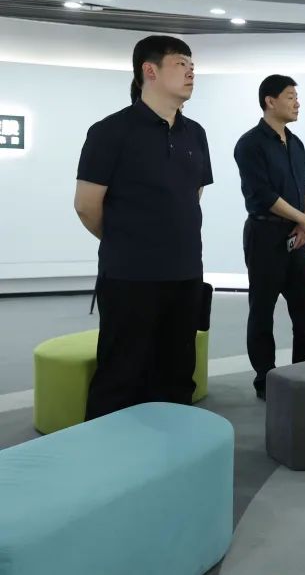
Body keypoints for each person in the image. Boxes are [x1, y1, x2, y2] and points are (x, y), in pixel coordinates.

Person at [75, 35, 212, 419]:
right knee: (121, 375)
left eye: (192, 66)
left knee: (177, 374)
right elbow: (86, 205)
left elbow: (193, 195)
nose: (191, 72)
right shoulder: (110, 131)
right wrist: (127, 240)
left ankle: (172, 449)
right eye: (181, 64)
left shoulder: (195, 133)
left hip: (185, 274)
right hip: (129, 277)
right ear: (149, 71)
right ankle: (108, 453)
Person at [234, 75, 305, 400]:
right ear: (270, 101)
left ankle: (303, 372)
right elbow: (263, 195)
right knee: (262, 308)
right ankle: (265, 378)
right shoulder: (250, 144)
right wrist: (304, 220)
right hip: (265, 234)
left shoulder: (296, 143)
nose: (297, 103)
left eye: (297, 97)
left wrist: (304, 224)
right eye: (290, 97)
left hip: (297, 236)